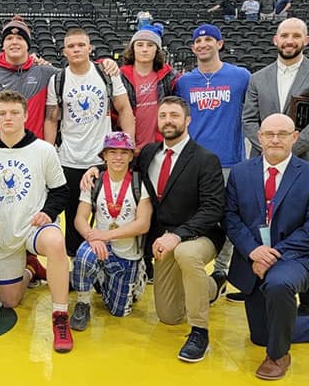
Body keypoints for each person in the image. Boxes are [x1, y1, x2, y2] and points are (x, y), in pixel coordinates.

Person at [83, 96, 226, 362]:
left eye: (174, 115)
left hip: (198, 234)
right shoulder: (149, 153)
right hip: (161, 238)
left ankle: (199, 332)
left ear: (187, 120)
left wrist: (178, 235)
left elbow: (213, 209)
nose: (168, 121)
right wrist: (96, 168)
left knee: (187, 255)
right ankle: (211, 286)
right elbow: (121, 165)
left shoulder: (206, 159)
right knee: (169, 316)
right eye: (163, 116)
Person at [225, 113, 309, 380]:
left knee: (279, 284)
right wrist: (253, 251)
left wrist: (273, 254)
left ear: (295, 137)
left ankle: (278, 355)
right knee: (260, 336)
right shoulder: (240, 172)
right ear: (259, 138)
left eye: (282, 134)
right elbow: (231, 218)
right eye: (269, 134)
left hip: (295, 257)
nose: (275, 140)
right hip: (253, 257)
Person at [0, 91, 73, 353]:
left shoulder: (44, 150)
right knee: (10, 302)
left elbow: (61, 191)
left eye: (15, 113)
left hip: (33, 228)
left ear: (26, 116)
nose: (9, 118)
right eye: (3, 113)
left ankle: (60, 317)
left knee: (55, 240)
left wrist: (48, 213)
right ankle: (31, 270)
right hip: (2, 234)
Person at [45, 27, 135, 258]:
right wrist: (48, 155)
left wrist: (129, 145)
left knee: (109, 213)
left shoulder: (106, 73)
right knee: (75, 217)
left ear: (90, 48)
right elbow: (51, 119)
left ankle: (110, 263)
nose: (76, 49)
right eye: (71, 46)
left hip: (102, 159)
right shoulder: (58, 79)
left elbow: (124, 108)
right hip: (70, 160)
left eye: (81, 45)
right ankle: (77, 266)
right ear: (64, 51)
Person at [174, 24, 250, 284]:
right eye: (198, 40)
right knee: (193, 214)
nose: (203, 44)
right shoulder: (184, 82)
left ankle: (221, 269)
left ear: (220, 44)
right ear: (193, 47)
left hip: (229, 160)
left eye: (209, 39)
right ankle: (190, 263)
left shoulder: (240, 77)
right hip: (194, 161)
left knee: (228, 217)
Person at [71, 132, 151, 331]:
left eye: (124, 152)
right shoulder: (93, 182)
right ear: (104, 156)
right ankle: (83, 302)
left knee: (117, 311)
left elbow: (143, 224)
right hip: (100, 246)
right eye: (112, 152)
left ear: (131, 156)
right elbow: (80, 218)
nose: (118, 157)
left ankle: (113, 279)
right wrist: (92, 237)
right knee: (83, 255)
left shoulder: (139, 183)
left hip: (127, 252)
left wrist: (104, 235)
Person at [242, 18, 309, 168]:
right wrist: (268, 148)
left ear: (306, 40)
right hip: (262, 161)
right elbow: (248, 120)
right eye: (284, 35)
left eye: (296, 36)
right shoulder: (257, 78)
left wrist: (286, 150)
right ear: (275, 40)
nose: (290, 41)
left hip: (306, 161)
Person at [0, 16, 57, 143]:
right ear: (3, 45)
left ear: (28, 45)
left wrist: (100, 64)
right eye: (9, 38)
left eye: (20, 38)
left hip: (32, 149)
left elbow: (75, 75)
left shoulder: (45, 72)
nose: (14, 42)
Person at [117, 24, 179, 152]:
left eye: (150, 45)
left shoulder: (170, 76)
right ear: (132, 48)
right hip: (128, 146)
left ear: (157, 50)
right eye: (140, 45)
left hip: (159, 146)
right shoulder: (120, 76)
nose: (144, 49)